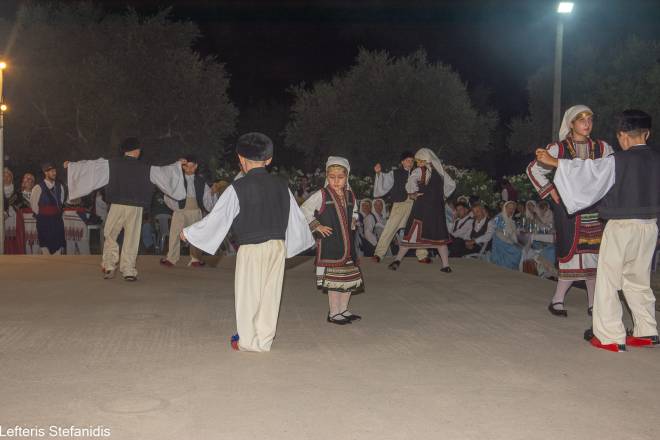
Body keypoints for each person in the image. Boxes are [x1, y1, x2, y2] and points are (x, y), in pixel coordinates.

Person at [536, 109, 660, 352]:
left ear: (622, 135)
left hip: (622, 225)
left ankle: (609, 336)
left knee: (608, 280)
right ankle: (647, 330)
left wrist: (555, 163)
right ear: (648, 134)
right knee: (638, 279)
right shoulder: (657, 159)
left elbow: (589, 173)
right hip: (649, 227)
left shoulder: (618, 160)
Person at [182, 133, 314, 351]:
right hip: (277, 247)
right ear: (269, 160)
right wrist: (296, 243)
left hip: (251, 248)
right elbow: (296, 219)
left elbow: (218, 217)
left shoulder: (238, 187)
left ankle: (247, 342)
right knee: (270, 294)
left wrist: (189, 233)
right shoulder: (282, 186)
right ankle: (264, 340)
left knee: (248, 294)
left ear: (240, 159)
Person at [526, 105, 614, 317]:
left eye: (590, 119)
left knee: (594, 255)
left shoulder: (603, 148)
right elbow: (533, 169)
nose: (587, 123)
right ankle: (557, 299)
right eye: (581, 119)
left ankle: (593, 303)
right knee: (570, 253)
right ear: (571, 124)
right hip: (569, 211)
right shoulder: (559, 148)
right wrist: (553, 194)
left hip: (595, 210)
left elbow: (611, 173)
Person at [65, 137, 187, 281]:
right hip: (135, 207)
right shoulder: (146, 167)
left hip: (117, 205)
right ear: (136, 151)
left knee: (110, 234)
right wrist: (177, 165)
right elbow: (165, 172)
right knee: (132, 238)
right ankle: (128, 270)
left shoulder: (111, 164)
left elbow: (91, 167)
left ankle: (110, 265)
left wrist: (72, 166)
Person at [301, 156, 365, 325]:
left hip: (347, 244)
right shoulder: (322, 195)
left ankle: (343, 309)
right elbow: (304, 210)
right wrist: (317, 226)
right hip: (331, 245)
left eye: (340, 177)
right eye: (332, 177)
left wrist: (354, 220)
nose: (336, 181)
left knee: (349, 280)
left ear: (347, 177)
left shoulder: (350, 195)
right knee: (335, 281)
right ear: (327, 177)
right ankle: (334, 312)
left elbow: (356, 212)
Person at [388, 148, 456, 272]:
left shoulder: (420, 171)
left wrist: (412, 193)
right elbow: (452, 185)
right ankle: (446, 266)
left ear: (424, 160)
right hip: (437, 210)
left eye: (418, 160)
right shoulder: (441, 172)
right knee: (440, 238)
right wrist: (443, 196)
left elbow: (410, 182)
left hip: (421, 207)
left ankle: (397, 261)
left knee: (410, 235)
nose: (417, 163)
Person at [160, 155, 219, 268]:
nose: (189, 169)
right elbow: (169, 194)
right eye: (186, 167)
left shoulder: (201, 181)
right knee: (175, 233)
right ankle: (171, 258)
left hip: (195, 210)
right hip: (180, 210)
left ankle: (196, 259)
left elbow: (207, 198)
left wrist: (212, 193)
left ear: (196, 166)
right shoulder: (177, 180)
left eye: (192, 167)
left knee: (196, 234)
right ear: (183, 167)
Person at [372, 151, 429, 263]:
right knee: (390, 228)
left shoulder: (417, 173)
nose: (410, 163)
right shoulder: (395, 173)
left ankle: (422, 254)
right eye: (408, 160)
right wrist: (378, 173)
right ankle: (379, 253)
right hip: (400, 204)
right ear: (402, 162)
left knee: (417, 228)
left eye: (412, 161)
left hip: (414, 203)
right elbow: (384, 181)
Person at [30, 163, 67, 255]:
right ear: (45, 172)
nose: (54, 173)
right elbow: (34, 205)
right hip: (44, 221)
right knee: (45, 247)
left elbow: (61, 202)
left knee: (58, 246)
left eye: (55, 171)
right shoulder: (38, 187)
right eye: (52, 171)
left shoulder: (60, 187)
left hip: (57, 220)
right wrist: (43, 215)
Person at [489, 201, 522, 270]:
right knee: (517, 251)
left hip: (507, 240)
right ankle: (508, 267)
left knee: (521, 248)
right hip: (500, 241)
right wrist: (512, 242)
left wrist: (514, 240)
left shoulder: (511, 220)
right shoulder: (499, 217)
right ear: (505, 208)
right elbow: (497, 230)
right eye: (509, 208)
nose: (511, 210)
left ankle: (510, 268)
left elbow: (513, 233)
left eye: (513, 209)